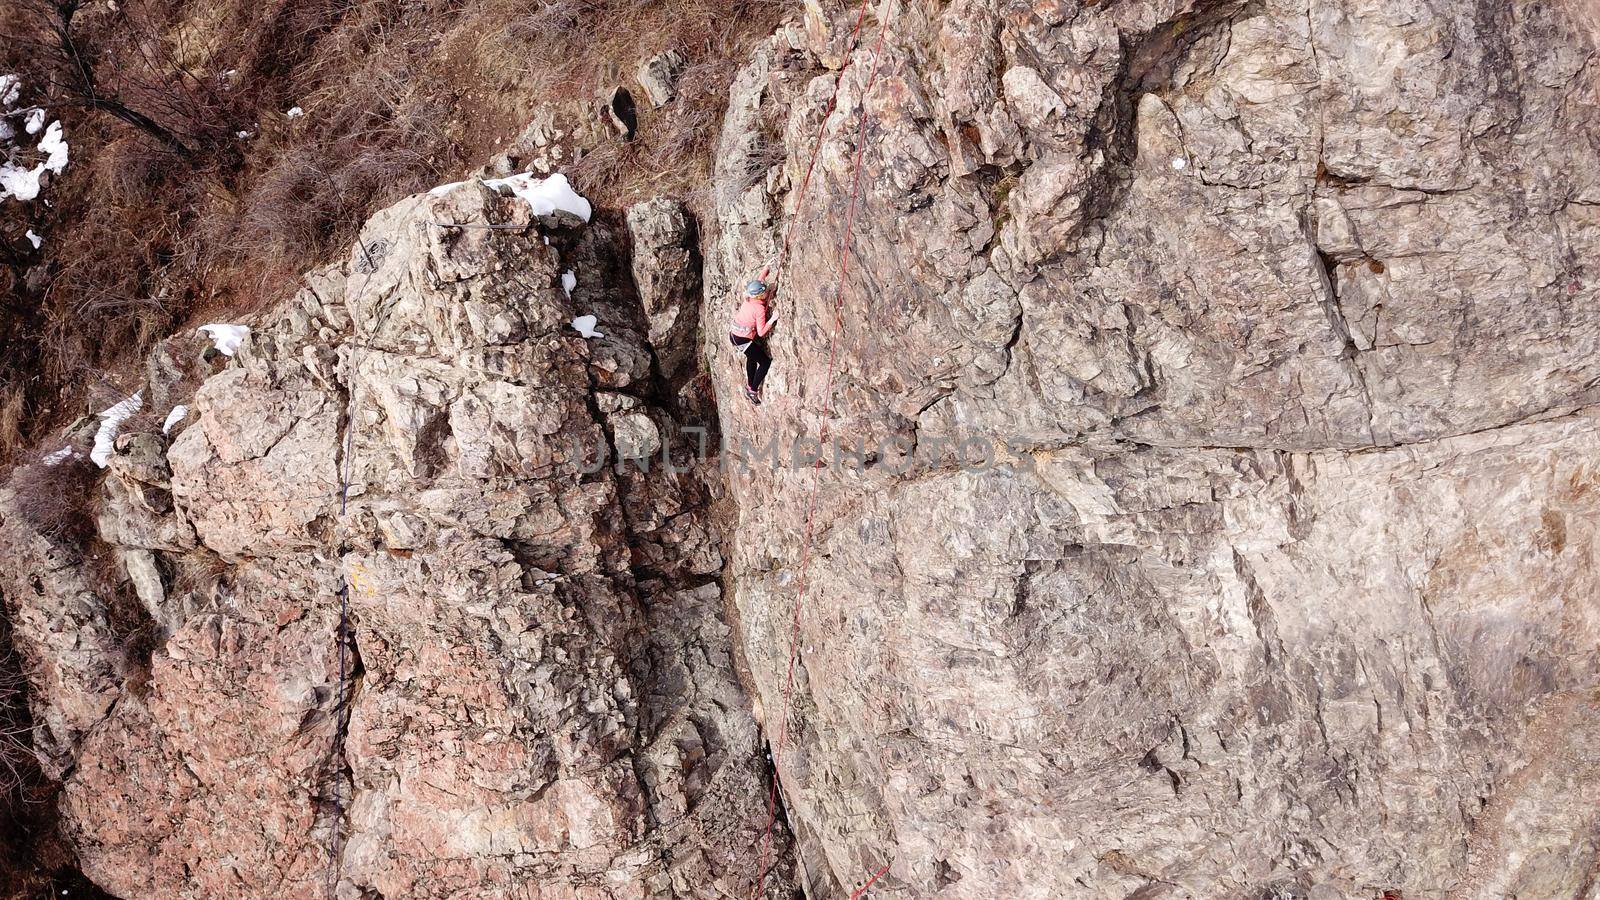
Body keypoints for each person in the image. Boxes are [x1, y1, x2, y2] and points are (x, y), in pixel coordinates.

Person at [730, 276, 778, 405]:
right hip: (742, 339)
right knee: (765, 362)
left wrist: (766, 269)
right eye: (765, 292)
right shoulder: (759, 309)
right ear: (760, 296)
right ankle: (753, 390)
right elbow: (761, 332)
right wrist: (772, 319)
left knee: (751, 357)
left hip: (735, 335)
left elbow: (758, 281)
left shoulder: (748, 298)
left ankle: (750, 385)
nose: (767, 292)